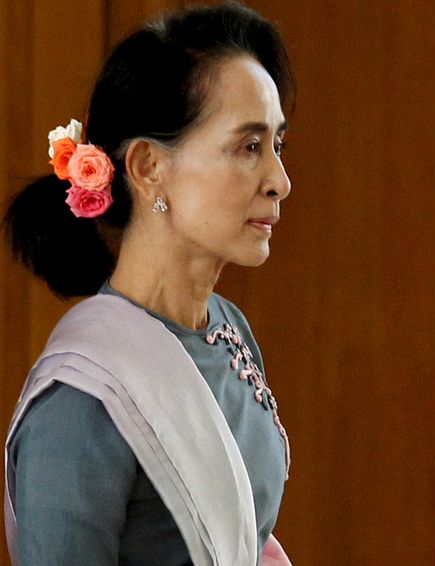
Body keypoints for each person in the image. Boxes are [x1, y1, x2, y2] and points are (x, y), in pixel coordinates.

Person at [3, 2, 294, 564]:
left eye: (277, 145)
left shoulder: (227, 329)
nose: (279, 180)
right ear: (147, 167)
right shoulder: (83, 400)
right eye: (249, 146)